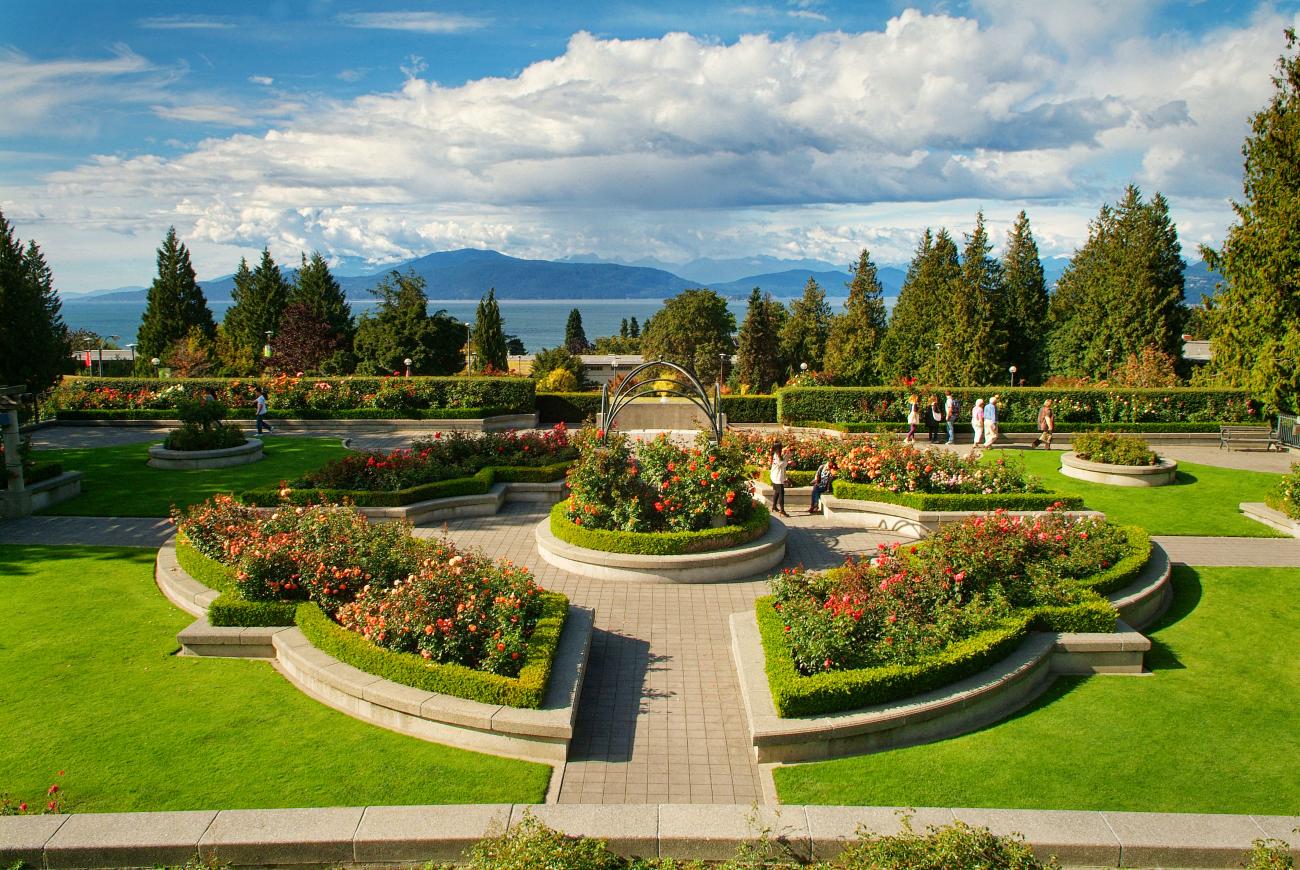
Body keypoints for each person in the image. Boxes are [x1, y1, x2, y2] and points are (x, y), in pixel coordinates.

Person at [769, 441, 789, 517]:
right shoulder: (776, 456)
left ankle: (774, 506)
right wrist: (787, 459)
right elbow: (782, 464)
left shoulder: (776, 454)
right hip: (777, 477)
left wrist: (786, 454)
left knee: (777, 492)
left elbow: (782, 461)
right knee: (781, 494)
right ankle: (782, 510)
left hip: (775, 476)